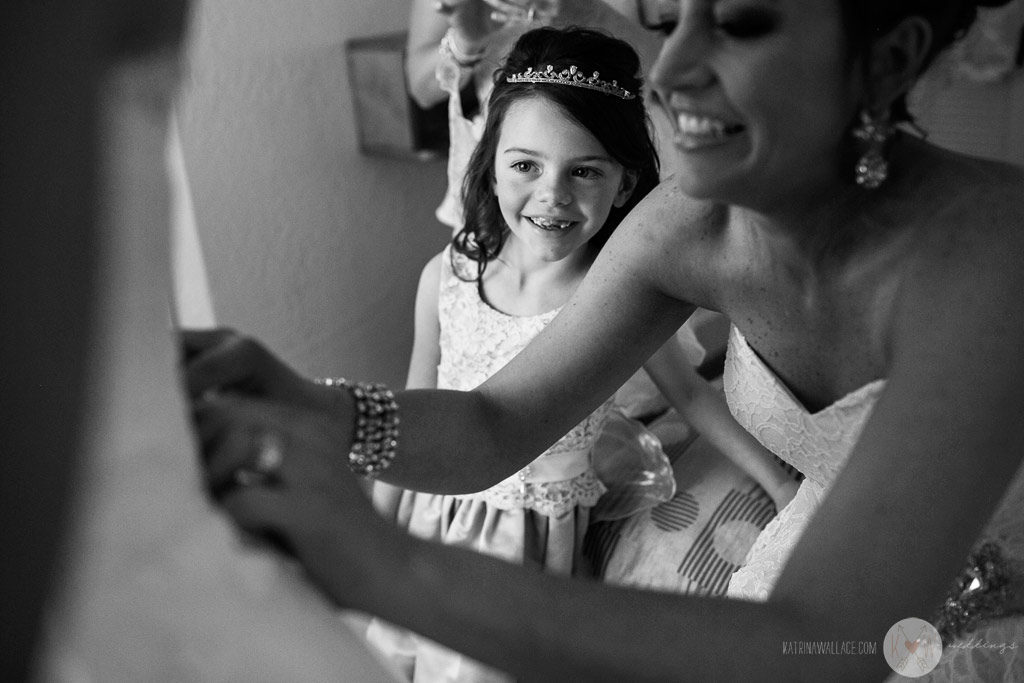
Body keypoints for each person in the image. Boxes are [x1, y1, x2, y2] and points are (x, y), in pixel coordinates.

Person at [186, 0, 1024, 680]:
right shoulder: (687, 227)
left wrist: (381, 564)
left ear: (886, 58)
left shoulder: (992, 260)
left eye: (736, 25)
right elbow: (496, 424)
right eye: (667, 22)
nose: (670, 72)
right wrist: (316, 410)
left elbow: (824, 643)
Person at [362, 27, 796, 682]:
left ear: (623, 185)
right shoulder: (444, 278)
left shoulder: (616, 299)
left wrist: (787, 488)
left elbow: (696, 398)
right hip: (429, 528)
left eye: (585, 171)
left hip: (529, 554)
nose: (552, 196)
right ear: (492, 161)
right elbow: (409, 420)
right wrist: (369, 539)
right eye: (526, 165)